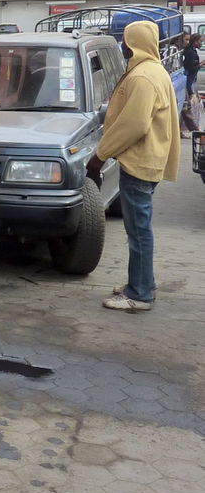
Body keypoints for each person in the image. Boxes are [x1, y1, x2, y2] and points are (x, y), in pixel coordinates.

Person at [88, 21, 180, 312]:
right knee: (139, 229)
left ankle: (139, 295)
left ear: (135, 43)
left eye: (126, 40)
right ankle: (142, 282)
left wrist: (100, 155)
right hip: (147, 159)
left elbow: (134, 124)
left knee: (138, 231)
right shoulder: (152, 70)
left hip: (139, 162)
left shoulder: (143, 76)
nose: (123, 45)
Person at [182, 32, 202, 97]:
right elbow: (192, 69)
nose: (201, 43)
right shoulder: (190, 52)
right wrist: (201, 64)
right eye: (200, 41)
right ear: (195, 42)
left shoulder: (193, 50)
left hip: (192, 80)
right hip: (189, 81)